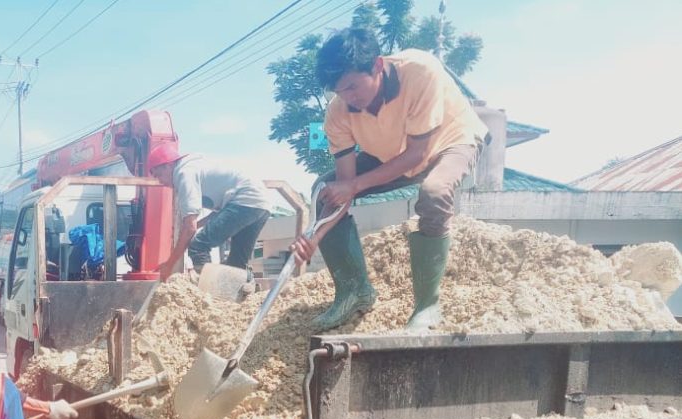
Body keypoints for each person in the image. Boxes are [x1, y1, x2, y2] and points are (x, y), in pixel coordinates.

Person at [291, 27, 488, 331]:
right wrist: (315, 237)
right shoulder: (338, 113)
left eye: (353, 86)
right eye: (340, 91)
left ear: (378, 65)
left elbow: (417, 154)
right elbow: (343, 188)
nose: (349, 98)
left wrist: (354, 186)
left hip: (449, 141)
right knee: (325, 191)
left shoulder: (420, 71)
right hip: (392, 153)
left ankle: (427, 305)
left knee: (434, 192)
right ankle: (355, 292)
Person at [147, 144, 274, 280]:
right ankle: (237, 290)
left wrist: (169, 264)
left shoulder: (184, 173)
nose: (160, 181)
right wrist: (197, 225)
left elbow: (189, 229)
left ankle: (209, 289)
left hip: (245, 199)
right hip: (261, 203)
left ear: (168, 165)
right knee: (236, 264)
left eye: (159, 175)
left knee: (198, 246)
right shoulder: (196, 166)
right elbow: (219, 214)